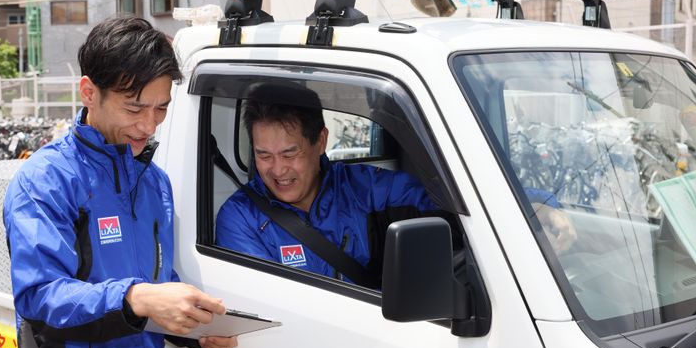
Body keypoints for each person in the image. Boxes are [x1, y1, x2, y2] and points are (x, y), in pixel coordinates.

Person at [2, 16, 237, 348]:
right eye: (134, 108)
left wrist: (195, 330)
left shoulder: (155, 184)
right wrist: (140, 297)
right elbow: (40, 294)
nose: (149, 125)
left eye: (161, 108)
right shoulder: (47, 180)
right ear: (89, 92)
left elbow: (155, 287)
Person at [216, 93, 576, 285]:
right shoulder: (241, 218)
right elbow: (267, 304)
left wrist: (536, 205)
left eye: (290, 153)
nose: (277, 170)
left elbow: (446, 197)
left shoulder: (358, 188)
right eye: (264, 155)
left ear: (320, 141)